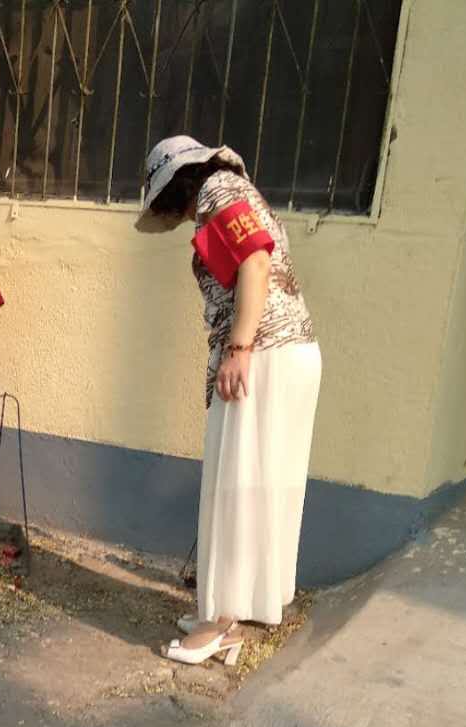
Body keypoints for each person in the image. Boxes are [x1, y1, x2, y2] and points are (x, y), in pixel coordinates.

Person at [135, 135, 321, 666]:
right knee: (249, 486)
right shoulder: (229, 194)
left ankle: (217, 625)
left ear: (178, 183)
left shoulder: (219, 190)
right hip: (278, 353)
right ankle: (226, 615)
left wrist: (238, 349)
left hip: (263, 355)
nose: (168, 213)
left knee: (237, 488)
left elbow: (254, 263)